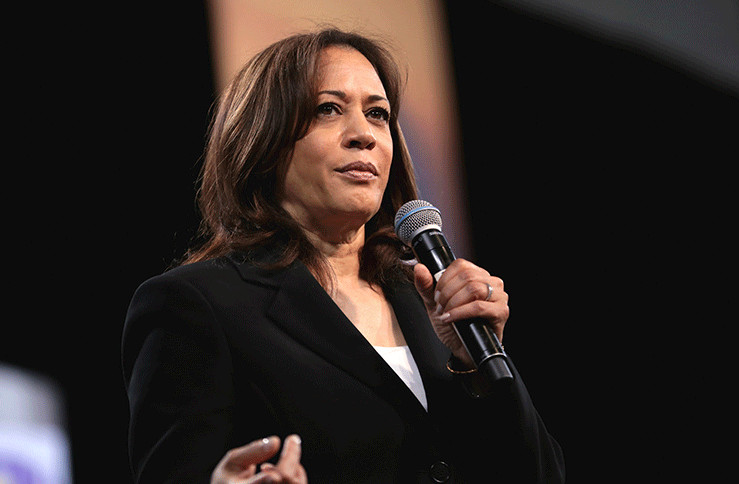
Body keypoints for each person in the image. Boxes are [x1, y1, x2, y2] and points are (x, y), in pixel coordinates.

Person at [122, 27, 565, 483]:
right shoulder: (195, 305)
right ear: (264, 139)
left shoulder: (432, 305)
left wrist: (474, 366)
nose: (363, 135)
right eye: (328, 109)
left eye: (377, 114)